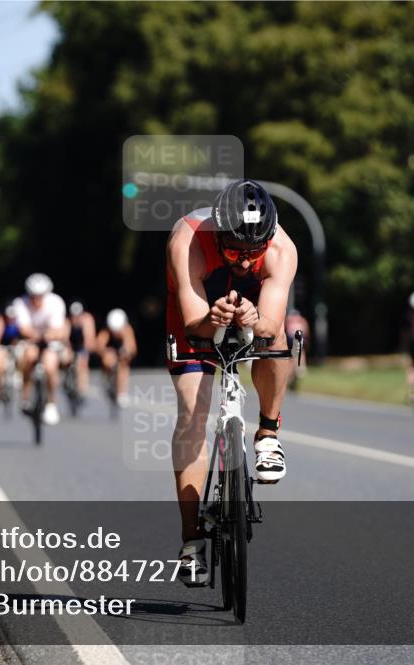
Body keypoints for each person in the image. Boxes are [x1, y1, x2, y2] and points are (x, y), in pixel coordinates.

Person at [165, 178, 297, 585]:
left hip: (253, 306)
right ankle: (191, 541)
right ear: (219, 233)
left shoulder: (281, 249)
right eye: (236, 250)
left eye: (252, 253)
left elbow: (271, 323)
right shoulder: (187, 239)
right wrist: (212, 319)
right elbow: (192, 322)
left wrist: (255, 321)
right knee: (192, 414)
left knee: (278, 341)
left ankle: (268, 432)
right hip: (199, 306)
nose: (243, 261)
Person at [11, 273, 70, 425]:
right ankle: (25, 397)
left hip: (51, 340)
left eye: (40, 295)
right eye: (34, 295)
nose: (37, 299)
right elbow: (24, 328)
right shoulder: (20, 303)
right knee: (29, 357)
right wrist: (36, 336)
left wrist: (49, 336)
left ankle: (51, 403)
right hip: (31, 340)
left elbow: (58, 328)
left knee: (50, 366)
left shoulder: (56, 302)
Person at [96, 308, 138, 405]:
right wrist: (106, 352)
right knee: (107, 359)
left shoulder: (127, 330)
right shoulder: (106, 331)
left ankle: (121, 392)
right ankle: (106, 377)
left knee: (124, 366)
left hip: (121, 354)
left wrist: (126, 353)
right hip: (110, 353)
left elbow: (132, 348)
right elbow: (99, 346)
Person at [0, 304, 22, 403]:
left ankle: (19, 373)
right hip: (1, 345)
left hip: (16, 345)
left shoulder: (21, 321)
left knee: (22, 353)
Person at [68, 301, 97, 396]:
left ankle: (82, 386)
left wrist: (85, 352)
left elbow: (89, 337)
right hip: (72, 345)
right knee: (66, 358)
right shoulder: (68, 321)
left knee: (83, 362)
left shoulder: (87, 319)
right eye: (74, 315)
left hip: (82, 345)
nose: (76, 318)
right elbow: (65, 337)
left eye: (78, 315)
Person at [284, 308, 311, 389]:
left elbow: (284, 329)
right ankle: (299, 368)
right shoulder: (301, 320)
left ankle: (294, 371)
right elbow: (306, 329)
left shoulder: (289, 319)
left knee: (293, 356)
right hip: (297, 339)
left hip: (291, 339)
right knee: (300, 352)